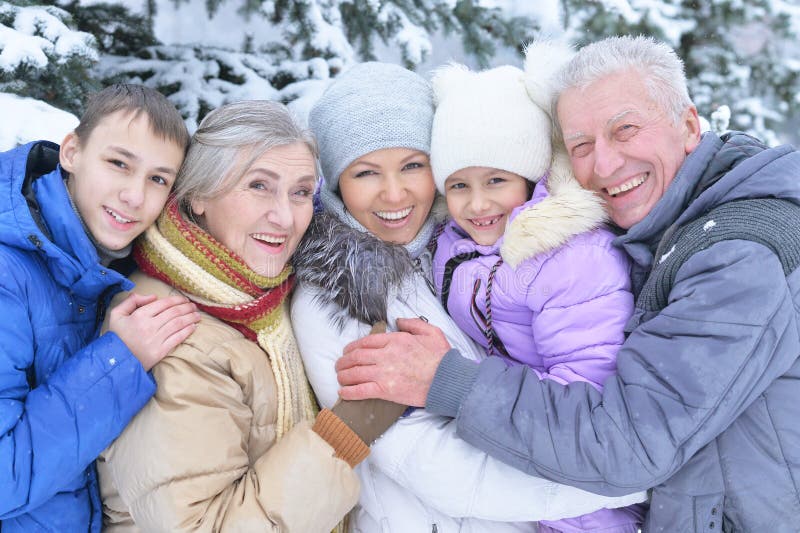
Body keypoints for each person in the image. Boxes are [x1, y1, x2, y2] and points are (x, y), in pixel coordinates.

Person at [335, 35, 800, 531]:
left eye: (625, 130)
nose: (603, 165)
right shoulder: (657, 221)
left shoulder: (739, 256)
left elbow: (628, 441)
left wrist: (447, 382)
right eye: (581, 145)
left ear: (688, 125)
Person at [291, 61, 646, 532]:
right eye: (366, 172)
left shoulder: (454, 248)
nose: (394, 193)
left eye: (412, 165)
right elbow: (440, 467)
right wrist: (627, 475)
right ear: (336, 182)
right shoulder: (339, 297)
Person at [96, 100, 373, 533]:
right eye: (259, 186)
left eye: (300, 192)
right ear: (198, 195)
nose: (284, 217)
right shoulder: (170, 332)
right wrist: (346, 433)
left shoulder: (266, 301)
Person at [429, 55, 644, 533]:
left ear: (529, 179)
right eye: (459, 185)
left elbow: (585, 396)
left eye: (496, 181)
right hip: (510, 444)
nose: (477, 203)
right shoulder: (457, 242)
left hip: (579, 489)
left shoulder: (570, 256)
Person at [0, 84, 200, 532]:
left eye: (158, 179)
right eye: (118, 164)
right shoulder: (7, 273)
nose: (135, 195)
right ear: (72, 152)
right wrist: (117, 361)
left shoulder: (113, 265)